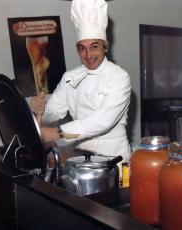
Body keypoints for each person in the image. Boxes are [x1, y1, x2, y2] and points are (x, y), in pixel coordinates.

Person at [30, 0, 131, 164]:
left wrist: (58, 133)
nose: (88, 54)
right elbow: (52, 112)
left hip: (114, 160)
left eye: (94, 46)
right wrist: (40, 110)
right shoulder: (70, 77)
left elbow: (101, 121)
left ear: (105, 47)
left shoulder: (119, 77)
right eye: (82, 48)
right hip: (80, 158)